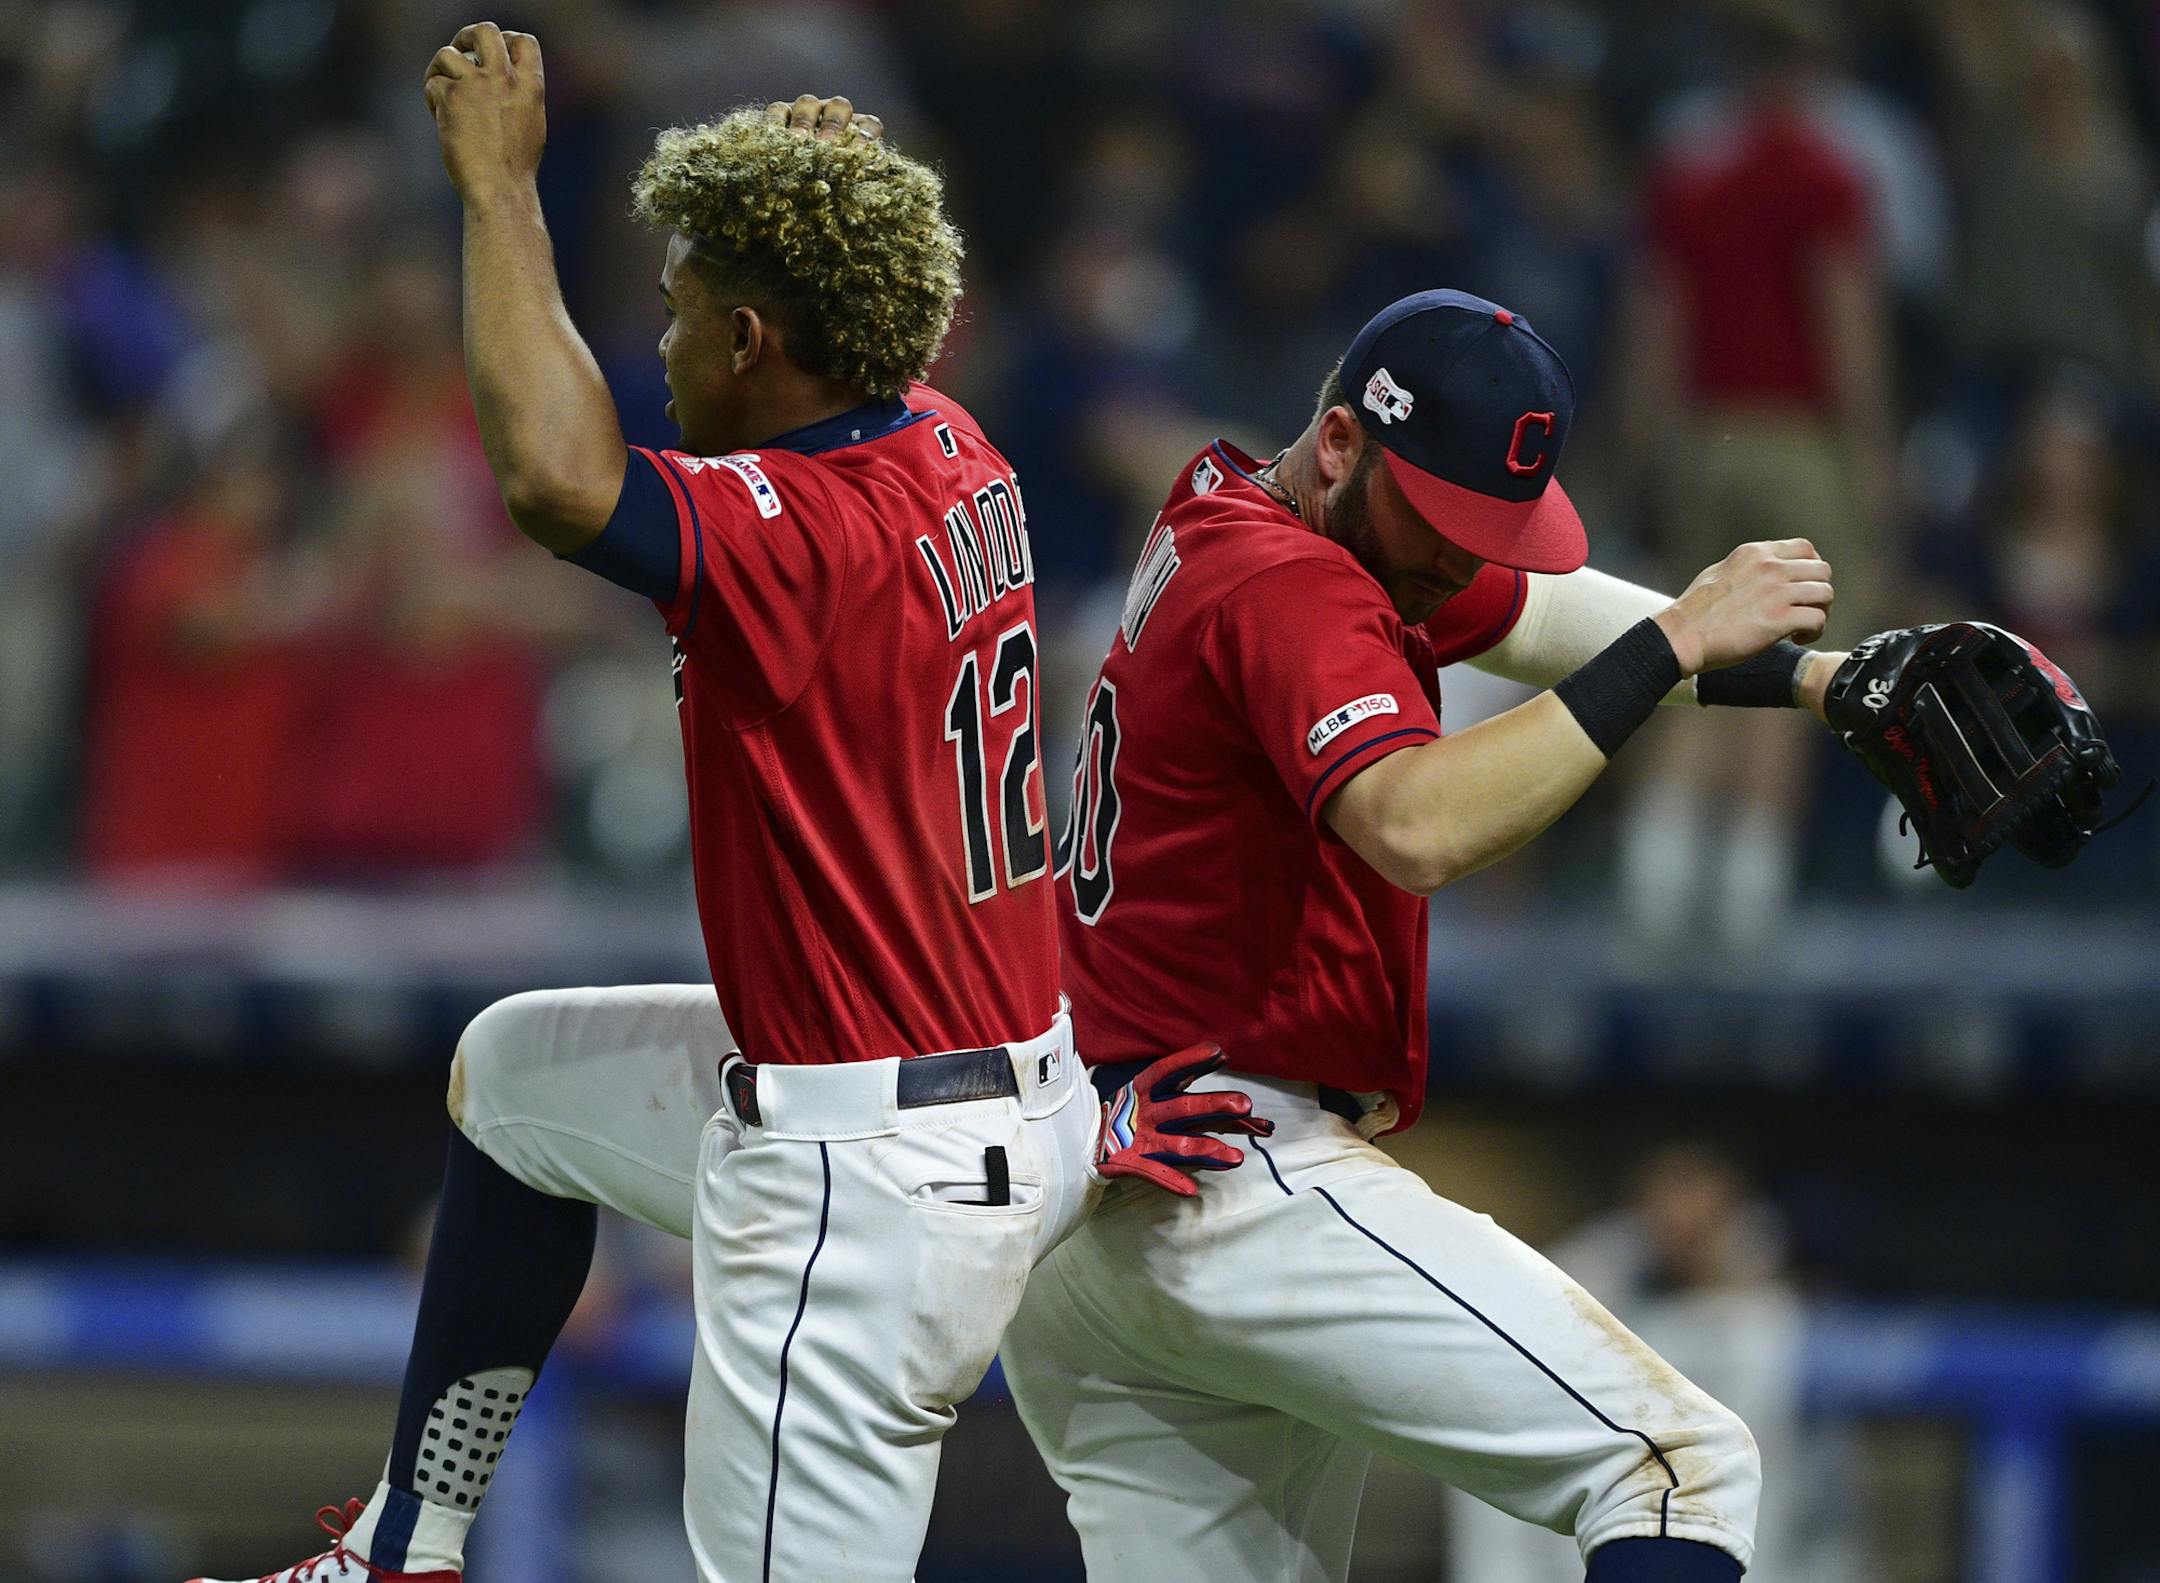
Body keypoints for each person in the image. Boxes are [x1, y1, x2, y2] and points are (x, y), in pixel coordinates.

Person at [190, 41, 1257, 1583]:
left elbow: (558, 483)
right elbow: (863, 305)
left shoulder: (805, 530)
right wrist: (808, 186)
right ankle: (399, 1553)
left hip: (862, 1183)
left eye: (687, 306)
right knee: (513, 1082)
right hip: (1004, 1098)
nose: (660, 335)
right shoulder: (956, 447)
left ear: (759, 339)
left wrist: (497, 187)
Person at [998, 288, 1844, 1583]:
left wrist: (1834, 681)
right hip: (1225, 1165)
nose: (1460, 557)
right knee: (1675, 1463)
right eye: (1442, 519)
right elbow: (1417, 823)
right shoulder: (1298, 586)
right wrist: (1678, 635)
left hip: (1095, 1186)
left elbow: (1531, 616)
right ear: (1341, 442)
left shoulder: (1234, 497)